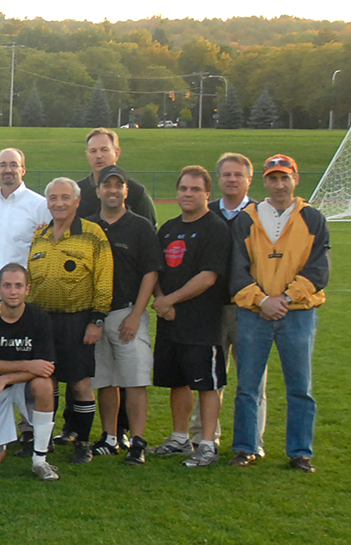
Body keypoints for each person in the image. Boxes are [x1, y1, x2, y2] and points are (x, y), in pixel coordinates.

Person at [227, 154, 330, 473]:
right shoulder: (247, 218)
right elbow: (237, 269)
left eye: (285, 177)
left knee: (300, 386)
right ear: (265, 182)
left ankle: (300, 451)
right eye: (273, 178)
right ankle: (246, 447)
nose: (279, 184)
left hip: (297, 313)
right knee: (247, 385)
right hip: (254, 314)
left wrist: (284, 298)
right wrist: (261, 300)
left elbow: (319, 270)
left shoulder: (313, 218)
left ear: (295, 179)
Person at [150, 166, 232, 468]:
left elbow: (208, 277)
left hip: (202, 322)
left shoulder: (215, 228)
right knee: (178, 381)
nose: (188, 193)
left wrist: (169, 300)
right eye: (184, 188)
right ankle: (179, 437)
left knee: (206, 384)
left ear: (207, 194)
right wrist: (161, 300)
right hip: (170, 321)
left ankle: (207, 443)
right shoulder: (169, 228)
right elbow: (156, 270)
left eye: (195, 189)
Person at [27, 177, 112, 464]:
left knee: (79, 384)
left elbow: (104, 280)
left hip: (77, 320)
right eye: (53, 198)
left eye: (65, 197)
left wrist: (96, 320)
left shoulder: (92, 234)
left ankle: (83, 442)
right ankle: (45, 440)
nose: (58, 203)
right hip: (43, 321)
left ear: (77, 201)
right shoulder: (40, 236)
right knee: (45, 382)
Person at [85, 165, 161, 460]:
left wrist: (135, 315)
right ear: (98, 191)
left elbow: (151, 272)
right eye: (108, 185)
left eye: (119, 185)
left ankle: (138, 440)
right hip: (95, 316)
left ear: (126, 190)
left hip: (128, 312)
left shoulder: (140, 226)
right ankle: (110, 436)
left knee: (134, 379)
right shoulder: (88, 227)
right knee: (104, 380)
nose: (113, 190)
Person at [193, 152, 265, 457]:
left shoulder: (262, 213)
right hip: (211, 306)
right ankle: (203, 436)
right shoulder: (206, 213)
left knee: (252, 378)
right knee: (210, 376)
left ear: (249, 179)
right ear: (218, 179)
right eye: (227, 174)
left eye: (238, 174)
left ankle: (250, 443)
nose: (232, 179)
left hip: (251, 308)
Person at [0, 263, 61, 480]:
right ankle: (5, 433)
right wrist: (26, 366)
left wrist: (7, 377)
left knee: (44, 384)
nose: (13, 291)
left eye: (18, 286)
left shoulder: (39, 318)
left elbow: (46, 367)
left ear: (27, 289)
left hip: (19, 383)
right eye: (8, 285)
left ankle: (40, 458)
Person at [0, 148, 50, 306]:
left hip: (22, 287)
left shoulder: (40, 206)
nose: (8, 170)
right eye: (3, 165)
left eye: (13, 165)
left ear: (23, 170)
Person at [75, 128, 156, 224]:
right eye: (93, 151)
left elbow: (150, 232)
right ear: (87, 155)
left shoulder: (137, 193)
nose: (99, 156)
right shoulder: (76, 193)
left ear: (116, 153)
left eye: (104, 150)